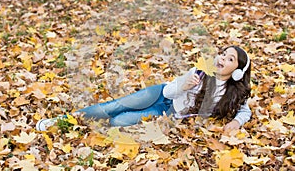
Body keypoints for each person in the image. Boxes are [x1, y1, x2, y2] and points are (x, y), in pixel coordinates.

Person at [36, 45, 251, 132]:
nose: (222, 58)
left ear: (238, 71)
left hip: (166, 112)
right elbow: (169, 92)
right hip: (160, 94)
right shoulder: (201, 71)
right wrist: (183, 86)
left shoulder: (233, 93)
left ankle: (95, 123)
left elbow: (245, 110)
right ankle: (63, 119)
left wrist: (235, 122)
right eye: (223, 53)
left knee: (118, 121)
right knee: (114, 106)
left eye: (230, 58)